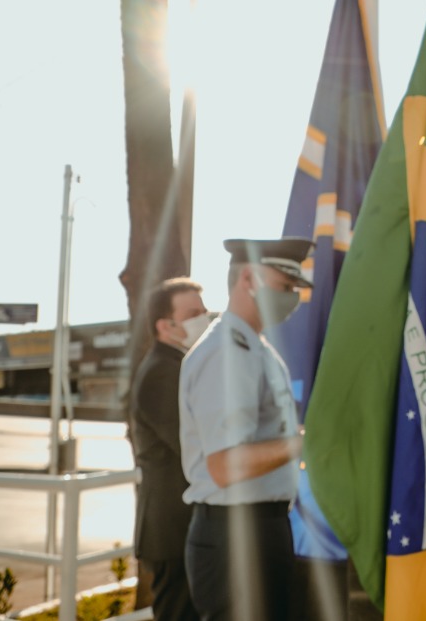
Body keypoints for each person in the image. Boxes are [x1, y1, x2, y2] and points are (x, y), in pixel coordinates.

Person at [179, 237, 312, 621]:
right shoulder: (227, 352)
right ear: (249, 278)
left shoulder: (256, 348)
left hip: (258, 530)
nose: (291, 297)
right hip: (236, 539)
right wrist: (302, 443)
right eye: (285, 287)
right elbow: (224, 466)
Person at [129, 277, 210, 621]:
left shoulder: (181, 366)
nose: (204, 318)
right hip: (173, 529)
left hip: (185, 526)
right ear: (166, 325)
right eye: (194, 313)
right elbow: (195, 445)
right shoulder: (163, 372)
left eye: (204, 311)